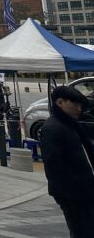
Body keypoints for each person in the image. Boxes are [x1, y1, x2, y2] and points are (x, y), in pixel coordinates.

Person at [41, 84, 94, 236]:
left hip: (86, 189)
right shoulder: (52, 128)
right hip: (73, 194)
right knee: (82, 231)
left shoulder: (71, 124)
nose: (79, 109)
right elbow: (53, 166)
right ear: (60, 102)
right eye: (75, 104)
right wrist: (73, 190)